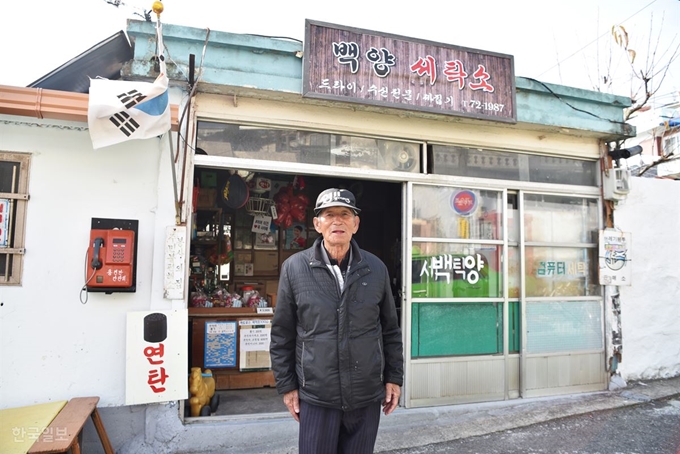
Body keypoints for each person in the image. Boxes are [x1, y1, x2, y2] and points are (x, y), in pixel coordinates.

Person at [270, 187, 404, 454]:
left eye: (345, 214)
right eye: (329, 215)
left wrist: (394, 377)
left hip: (365, 394)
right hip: (318, 396)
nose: (337, 221)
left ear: (356, 223)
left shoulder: (375, 268)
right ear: (317, 224)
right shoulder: (295, 268)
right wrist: (287, 386)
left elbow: (390, 330)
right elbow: (282, 333)